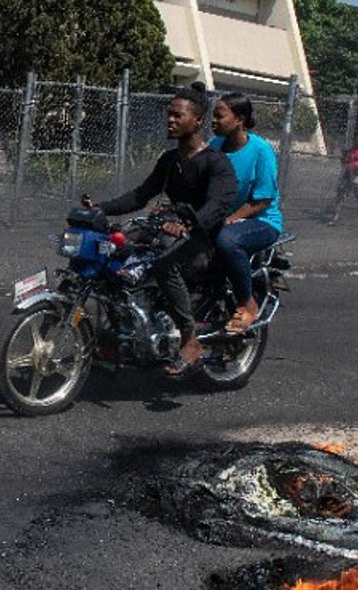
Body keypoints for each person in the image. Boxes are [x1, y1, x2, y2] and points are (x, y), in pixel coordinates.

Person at [86, 83, 237, 377]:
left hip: (202, 241)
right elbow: (140, 196)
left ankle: (190, 339)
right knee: (114, 250)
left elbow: (219, 203)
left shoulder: (215, 162)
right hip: (170, 231)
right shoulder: (169, 160)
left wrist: (189, 223)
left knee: (165, 266)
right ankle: (117, 333)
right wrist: (100, 208)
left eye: (177, 115)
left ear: (197, 121)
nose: (170, 120)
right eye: (169, 114)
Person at [209, 92, 283, 333]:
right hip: (223, 218)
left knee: (226, 240)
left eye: (220, 116)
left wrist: (229, 220)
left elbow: (262, 200)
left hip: (261, 221)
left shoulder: (261, 150)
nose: (213, 121)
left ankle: (247, 302)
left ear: (239, 119)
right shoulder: (214, 145)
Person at [328, 133, 358, 228]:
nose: (357, 140)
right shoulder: (352, 150)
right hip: (348, 175)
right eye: (356, 138)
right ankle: (335, 218)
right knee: (341, 195)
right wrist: (344, 157)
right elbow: (345, 161)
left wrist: (351, 165)